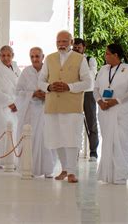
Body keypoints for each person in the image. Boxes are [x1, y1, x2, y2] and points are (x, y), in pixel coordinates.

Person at [38, 30, 92, 183]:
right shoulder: (49, 59)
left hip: (72, 106)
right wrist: (49, 87)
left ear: (71, 42)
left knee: (71, 138)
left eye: (64, 41)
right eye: (59, 42)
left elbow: (88, 82)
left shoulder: (80, 59)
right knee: (56, 138)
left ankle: (72, 172)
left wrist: (69, 86)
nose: (61, 45)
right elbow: (40, 81)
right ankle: (64, 169)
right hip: (53, 105)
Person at [94, 43, 128, 185]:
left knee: (120, 142)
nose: (105, 56)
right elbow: (96, 88)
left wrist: (116, 101)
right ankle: (107, 175)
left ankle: (120, 176)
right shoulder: (103, 70)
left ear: (116, 55)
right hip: (105, 110)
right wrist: (100, 101)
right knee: (108, 142)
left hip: (122, 112)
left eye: (108, 53)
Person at [15, 47, 57, 177]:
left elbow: (56, 88)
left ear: (42, 57)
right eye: (32, 56)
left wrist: (47, 94)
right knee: (31, 139)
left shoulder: (50, 71)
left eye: (37, 56)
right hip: (31, 113)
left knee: (47, 139)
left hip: (47, 111)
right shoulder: (26, 72)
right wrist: (33, 94)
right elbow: (18, 92)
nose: (34, 59)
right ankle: (30, 168)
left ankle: (48, 169)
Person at [73, 38, 99, 161]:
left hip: (88, 93)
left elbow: (90, 76)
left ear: (84, 48)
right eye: (74, 47)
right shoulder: (70, 60)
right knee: (74, 122)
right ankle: (75, 151)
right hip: (74, 93)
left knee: (91, 122)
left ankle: (93, 152)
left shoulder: (90, 60)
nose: (76, 49)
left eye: (79, 47)